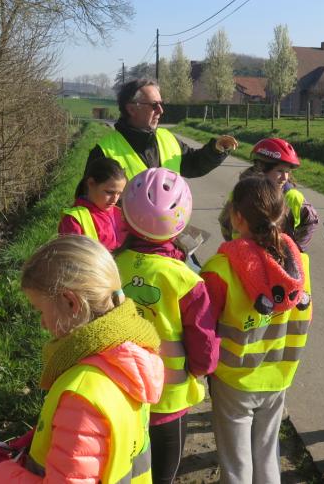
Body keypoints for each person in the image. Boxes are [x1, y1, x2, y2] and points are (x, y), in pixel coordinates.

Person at [0, 235, 164, 483]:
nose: (42, 322)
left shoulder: (81, 396)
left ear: (71, 302)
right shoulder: (131, 357)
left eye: (40, 310)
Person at [201, 176, 312, 484]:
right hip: (279, 375)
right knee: (266, 454)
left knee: (237, 465)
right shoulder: (299, 264)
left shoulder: (220, 268)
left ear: (237, 217)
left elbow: (205, 330)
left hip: (234, 380)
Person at [115, 167, 218, 484]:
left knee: (125, 467)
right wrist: (203, 369)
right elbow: (203, 342)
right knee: (162, 474)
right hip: (168, 399)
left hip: (120, 389)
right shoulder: (186, 279)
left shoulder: (110, 265)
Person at [85, 78, 238, 181]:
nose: (161, 110)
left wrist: (216, 149)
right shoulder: (103, 152)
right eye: (154, 105)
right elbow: (91, 204)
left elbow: (194, 164)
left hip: (170, 229)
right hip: (124, 230)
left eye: (161, 103)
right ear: (131, 109)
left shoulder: (167, 138)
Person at [218, 138, 318, 252]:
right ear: (261, 168)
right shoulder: (242, 193)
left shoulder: (293, 196)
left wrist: (296, 249)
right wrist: (237, 248)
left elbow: (310, 221)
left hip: (282, 263)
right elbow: (225, 222)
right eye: (280, 171)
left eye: (287, 171)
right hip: (247, 260)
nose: (285, 178)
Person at [58, 157, 128, 251]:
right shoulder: (73, 220)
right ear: (91, 183)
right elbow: (72, 260)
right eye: (109, 192)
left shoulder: (120, 213)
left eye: (119, 193)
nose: (115, 199)